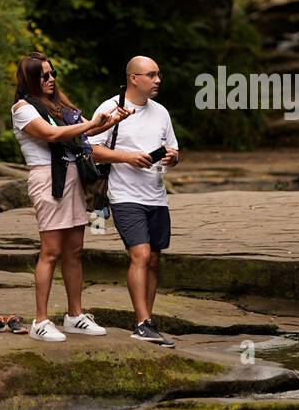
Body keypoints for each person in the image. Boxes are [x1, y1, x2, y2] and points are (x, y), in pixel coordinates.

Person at [12, 52, 131, 341]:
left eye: (52, 73)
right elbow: (53, 135)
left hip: (75, 177)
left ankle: (74, 315)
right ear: (30, 78)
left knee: (74, 250)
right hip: (48, 178)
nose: (51, 79)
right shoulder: (23, 108)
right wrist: (92, 124)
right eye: (44, 75)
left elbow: (86, 134)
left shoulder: (60, 106)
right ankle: (40, 321)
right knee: (51, 251)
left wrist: (113, 119)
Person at [90, 56, 180, 347]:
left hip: (156, 196)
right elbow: (91, 149)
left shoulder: (161, 112)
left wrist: (172, 157)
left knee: (154, 260)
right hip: (124, 194)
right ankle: (142, 323)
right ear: (133, 78)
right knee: (140, 255)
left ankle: (147, 320)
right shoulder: (110, 108)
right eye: (151, 75)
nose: (158, 80)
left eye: (158, 74)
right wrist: (128, 157)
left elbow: (173, 149)